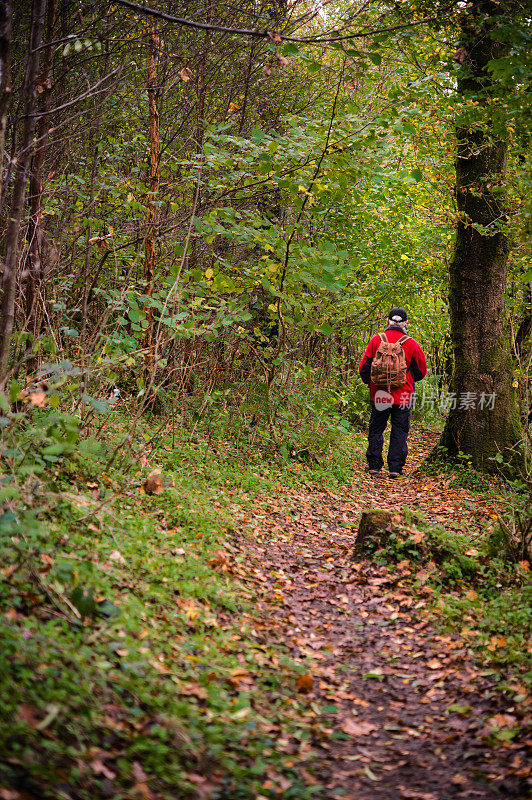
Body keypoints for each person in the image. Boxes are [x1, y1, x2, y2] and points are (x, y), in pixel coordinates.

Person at [358, 307, 427, 478]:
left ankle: (374, 465)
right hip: (403, 395)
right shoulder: (411, 343)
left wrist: (372, 383)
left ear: (388, 321)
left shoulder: (376, 340)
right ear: (405, 323)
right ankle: (395, 468)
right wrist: (408, 379)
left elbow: (363, 367)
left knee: (376, 429)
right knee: (400, 431)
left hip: (379, 394)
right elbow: (422, 371)